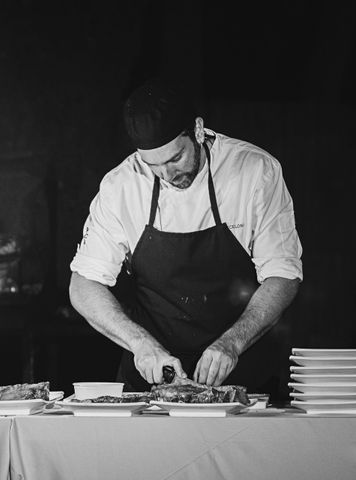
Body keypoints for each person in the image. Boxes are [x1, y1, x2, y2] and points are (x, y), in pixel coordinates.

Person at [69, 78, 303, 391]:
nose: (167, 175)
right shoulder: (121, 187)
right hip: (153, 378)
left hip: (241, 370)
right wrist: (140, 344)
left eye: (175, 158)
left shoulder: (255, 172)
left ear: (197, 129)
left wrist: (231, 344)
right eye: (154, 165)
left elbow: (283, 275)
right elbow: (84, 284)